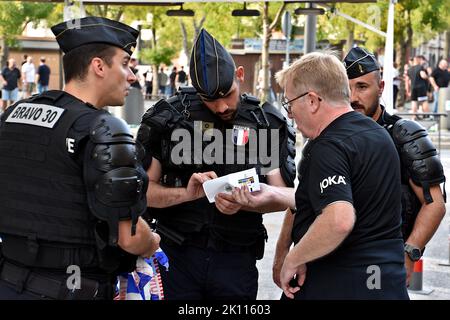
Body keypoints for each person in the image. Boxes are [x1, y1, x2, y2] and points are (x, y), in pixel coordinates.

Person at [0, 16, 160, 300]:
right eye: (124, 63)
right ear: (98, 66)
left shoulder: (11, 115)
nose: (132, 75)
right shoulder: (104, 129)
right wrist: (152, 243)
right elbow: (130, 237)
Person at [229, 51, 410, 299]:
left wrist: (295, 257)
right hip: (384, 282)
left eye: (290, 105)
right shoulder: (378, 134)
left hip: (339, 282)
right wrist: (273, 193)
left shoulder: (327, 146)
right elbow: (355, 196)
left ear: (312, 100)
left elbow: (338, 219)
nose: (290, 115)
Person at [136, 28, 296, 300]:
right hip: (176, 257)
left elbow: (285, 197)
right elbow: (143, 193)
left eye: (228, 94)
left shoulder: (264, 122)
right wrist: (185, 194)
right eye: (211, 99)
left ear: (240, 75)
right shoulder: (168, 119)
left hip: (236, 259)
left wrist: (248, 202)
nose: (222, 107)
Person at [343, 47, 446, 284]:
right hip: (336, 260)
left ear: (380, 87)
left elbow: (435, 204)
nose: (352, 98)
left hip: (383, 261)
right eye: (346, 88)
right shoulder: (329, 135)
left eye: (362, 87)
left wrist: (410, 253)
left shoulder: (404, 136)